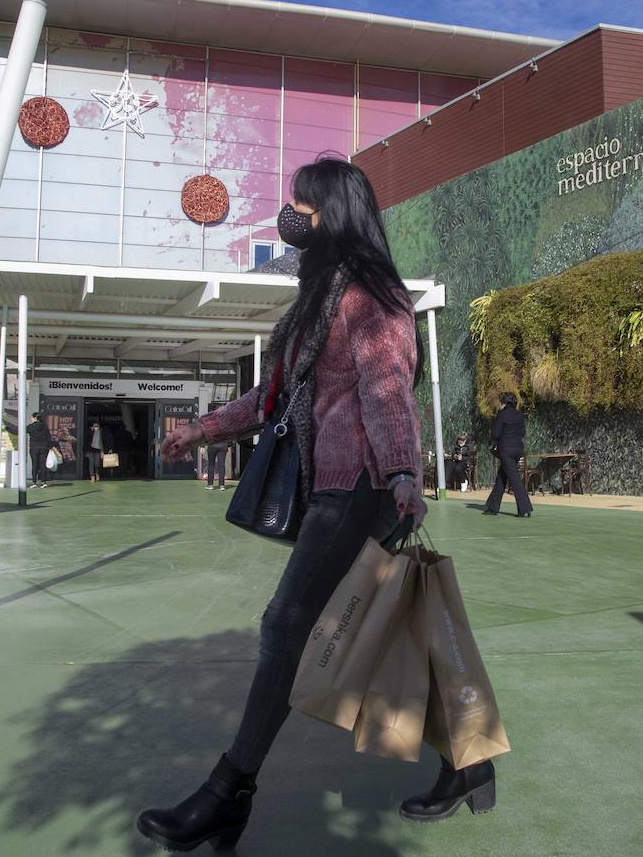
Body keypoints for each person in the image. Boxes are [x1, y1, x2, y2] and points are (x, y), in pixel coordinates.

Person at [138, 158, 490, 853]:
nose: (288, 213)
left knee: (287, 624)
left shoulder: (370, 295)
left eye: (300, 202)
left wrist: (400, 473)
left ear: (330, 211)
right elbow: (276, 399)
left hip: (362, 485)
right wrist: (201, 428)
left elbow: (386, 386)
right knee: (375, 633)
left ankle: (228, 792)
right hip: (336, 486)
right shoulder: (321, 294)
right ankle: (469, 760)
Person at [483, 392, 532, 518]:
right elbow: (522, 433)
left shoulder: (502, 415)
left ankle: (525, 508)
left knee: (514, 479)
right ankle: (492, 506)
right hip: (517, 450)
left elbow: (496, 434)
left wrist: (493, 442)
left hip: (506, 451)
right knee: (502, 477)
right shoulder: (519, 415)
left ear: (504, 403)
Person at [26, 412, 53, 488]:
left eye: (31, 417)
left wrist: (8, 428)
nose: (31, 419)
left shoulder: (30, 427)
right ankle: (44, 482)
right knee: (43, 465)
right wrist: (51, 447)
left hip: (34, 448)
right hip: (44, 448)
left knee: (34, 465)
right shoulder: (45, 426)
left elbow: (19, 432)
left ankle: (34, 482)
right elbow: (49, 438)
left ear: (35, 418)